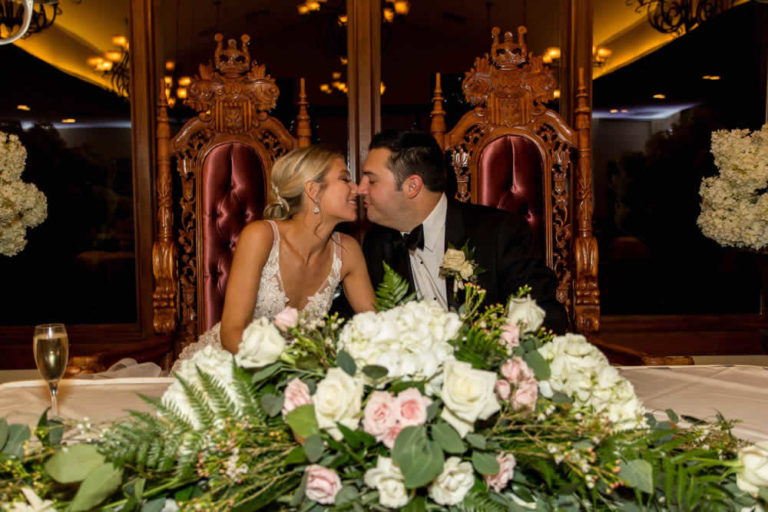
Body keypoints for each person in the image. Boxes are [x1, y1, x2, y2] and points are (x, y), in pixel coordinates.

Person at [174, 146, 376, 368]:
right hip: (230, 365)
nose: (357, 189)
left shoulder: (348, 251)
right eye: (345, 179)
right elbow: (231, 333)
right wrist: (282, 374)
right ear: (313, 190)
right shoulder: (261, 237)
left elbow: (375, 325)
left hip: (298, 375)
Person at [357, 130, 568, 333]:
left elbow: (545, 315)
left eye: (371, 181)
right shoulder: (376, 244)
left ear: (412, 186)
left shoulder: (500, 233)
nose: (360, 189)